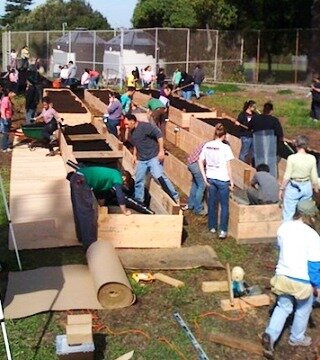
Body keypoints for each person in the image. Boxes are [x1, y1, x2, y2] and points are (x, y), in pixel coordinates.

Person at [261, 199, 320, 360]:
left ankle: (270, 335)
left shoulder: (284, 227)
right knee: (303, 308)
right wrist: (317, 286)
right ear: (311, 217)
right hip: (301, 281)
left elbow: (280, 248)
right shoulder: (313, 236)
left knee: (283, 306)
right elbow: (314, 266)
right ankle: (297, 338)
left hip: (283, 275)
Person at [124, 114, 179, 204]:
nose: (126, 126)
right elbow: (136, 143)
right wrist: (134, 155)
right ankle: (139, 200)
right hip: (142, 159)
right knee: (139, 180)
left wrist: (161, 151)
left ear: (132, 121)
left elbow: (159, 135)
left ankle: (174, 196)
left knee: (160, 176)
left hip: (152, 157)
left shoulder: (145, 127)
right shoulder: (132, 131)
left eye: (127, 124)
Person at [198, 123, 234, 239]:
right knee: (224, 205)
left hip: (210, 178)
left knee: (212, 203)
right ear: (224, 135)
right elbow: (228, 166)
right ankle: (223, 230)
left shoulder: (207, 145)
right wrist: (232, 180)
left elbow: (200, 161)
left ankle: (212, 226)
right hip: (223, 179)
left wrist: (204, 177)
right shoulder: (226, 148)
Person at [279, 135, 319, 221]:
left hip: (294, 186)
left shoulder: (292, 158)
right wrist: (316, 190)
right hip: (307, 186)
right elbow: (314, 177)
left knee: (288, 213)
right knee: (304, 214)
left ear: (296, 145)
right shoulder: (312, 158)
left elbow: (287, 175)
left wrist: (282, 189)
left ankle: (287, 231)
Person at [247, 102, 283, 178]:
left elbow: (249, 127)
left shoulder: (255, 118)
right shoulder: (274, 120)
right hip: (270, 147)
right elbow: (280, 134)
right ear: (271, 111)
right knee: (271, 164)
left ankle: (259, 178)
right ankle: (271, 178)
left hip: (258, 145)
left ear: (263, 109)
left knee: (259, 163)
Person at [182, 142, 207, 215]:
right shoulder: (211, 147)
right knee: (202, 185)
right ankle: (198, 209)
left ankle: (191, 205)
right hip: (196, 164)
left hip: (191, 163)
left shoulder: (207, 143)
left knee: (195, 184)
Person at [235, 100, 256, 164]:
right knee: (244, 152)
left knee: (253, 153)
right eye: (254, 107)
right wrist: (237, 123)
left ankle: (253, 167)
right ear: (249, 106)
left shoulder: (255, 115)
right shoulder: (242, 114)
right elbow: (238, 122)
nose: (255, 108)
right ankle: (240, 165)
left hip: (253, 136)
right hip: (245, 136)